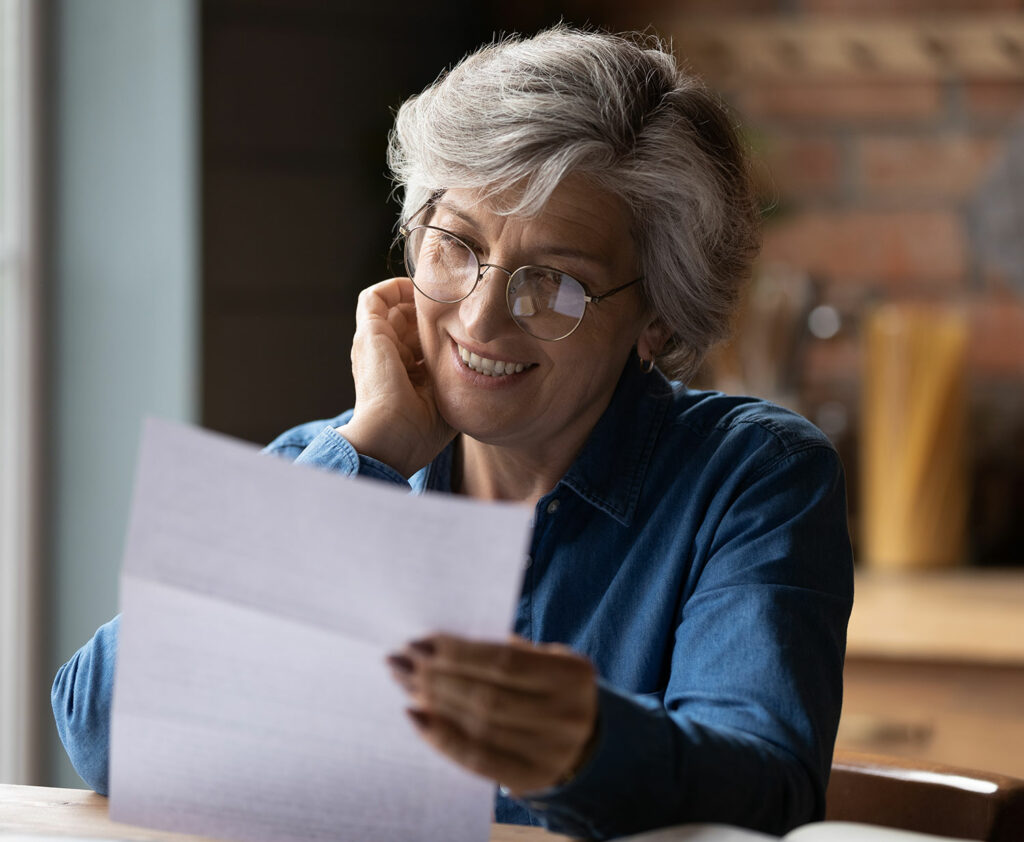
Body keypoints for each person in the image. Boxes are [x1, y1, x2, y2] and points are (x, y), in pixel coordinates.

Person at [52, 26, 853, 840]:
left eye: (556, 284)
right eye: (456, 246)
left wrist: (583, 748)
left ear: (656, 315)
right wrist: (367, 461)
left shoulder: (752, 477)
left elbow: (767, 793)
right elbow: (102, 731)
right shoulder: (336, 464)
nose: (480, 318)